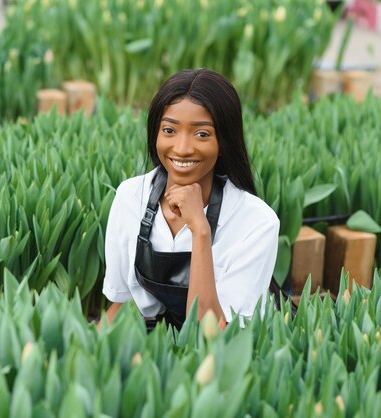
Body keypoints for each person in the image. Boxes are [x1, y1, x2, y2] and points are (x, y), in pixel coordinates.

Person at [101, 68, 279, 329]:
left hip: (232, 350)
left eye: (202, 134)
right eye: (169, 130)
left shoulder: (256, 221)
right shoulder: (130, 198)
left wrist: (200, 230)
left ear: (224, 142)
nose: (182, 149)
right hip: (165, 343)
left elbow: (212, 331)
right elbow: (123, 306)